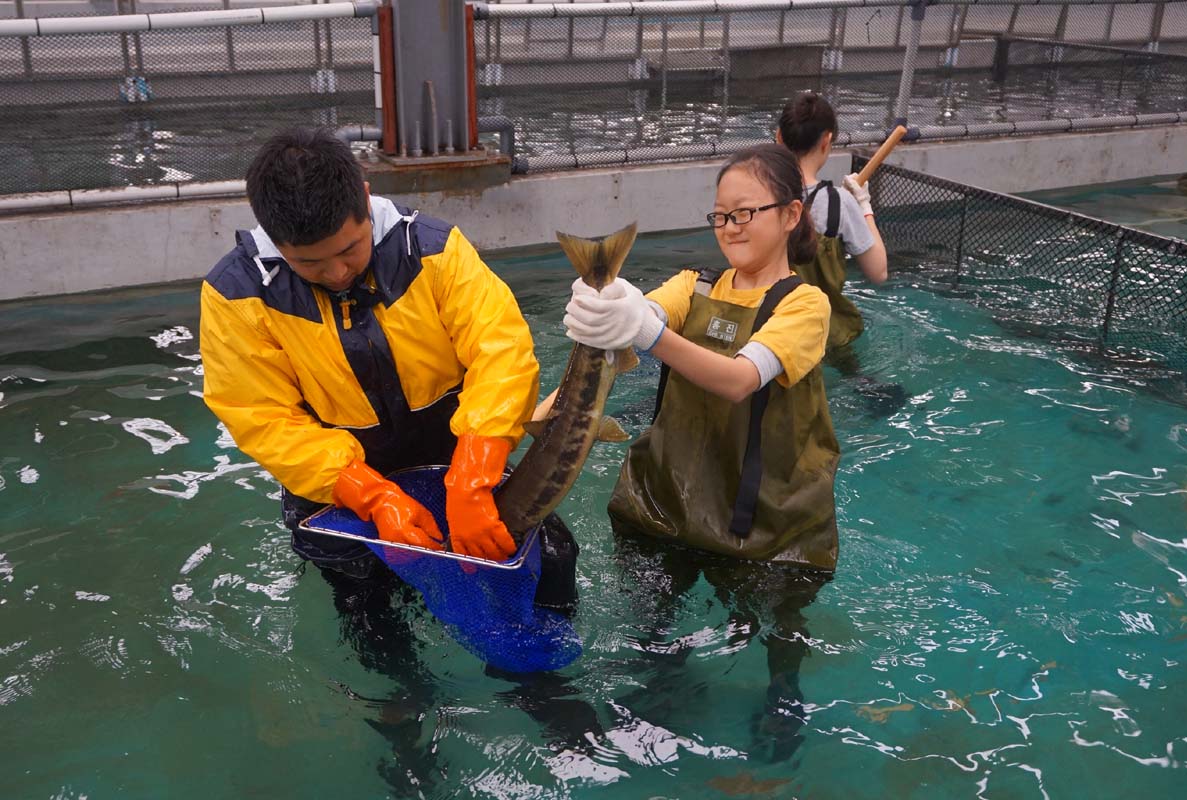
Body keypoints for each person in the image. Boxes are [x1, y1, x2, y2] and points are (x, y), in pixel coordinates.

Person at [198, 126, 577, 583]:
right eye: (309, 264)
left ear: (364, 195)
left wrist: (475, 472)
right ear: (276, 241)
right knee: (365, 599)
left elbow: (502, 352)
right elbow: (260, 416)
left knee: (553, 563)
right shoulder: (236, 294)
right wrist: (371, 495)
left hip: (456, 453)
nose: (336, 273)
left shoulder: (434, 249)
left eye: (349, 250)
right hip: (335, 480)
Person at [562, 143, 837, 759]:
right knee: (650, 624)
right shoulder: (694, 284)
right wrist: (605, 317)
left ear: (791, 215)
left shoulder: (803, 304)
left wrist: (651, 334)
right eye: (720, 215)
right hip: (667, 500)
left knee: (779, 625)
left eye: (746, 213)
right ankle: (658, 685)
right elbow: (644, 316)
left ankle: (783, 694)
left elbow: (740, 379)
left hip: (768, 518)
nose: (730, 228)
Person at [777, 91, 888, 361]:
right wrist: (863, 205)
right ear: (827, 141)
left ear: (779, 137)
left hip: (768, 327)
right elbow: (879, 272)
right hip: (823, 336)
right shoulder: (838, 203)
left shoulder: (758, 193)